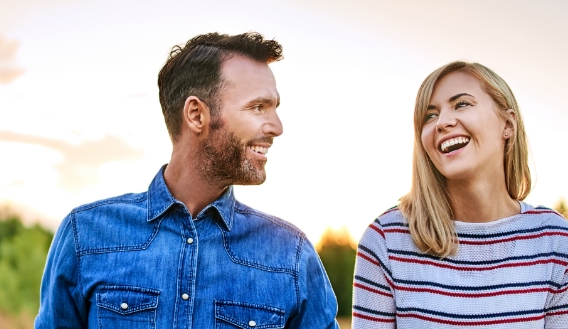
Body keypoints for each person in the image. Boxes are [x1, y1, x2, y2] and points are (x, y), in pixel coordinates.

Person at [34, 32, 339, 329]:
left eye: (274, 108)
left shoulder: (291, 254)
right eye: (258, 107)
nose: (276, 127)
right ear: (196, 114)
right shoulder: (85, 235)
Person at [351, 61, 568, 327]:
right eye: (429, 116)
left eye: (462, 104)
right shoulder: (386, 240)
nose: (442, 122)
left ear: (507, 124)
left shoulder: (561, 245)